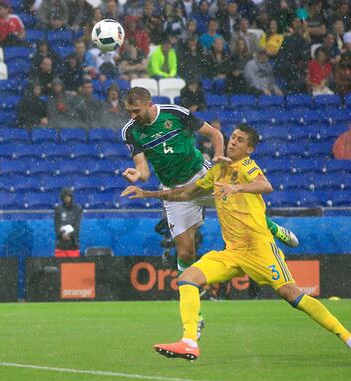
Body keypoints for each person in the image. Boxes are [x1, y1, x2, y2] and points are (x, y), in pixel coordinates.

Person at [122, 125, 351, 360]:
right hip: (232, 252)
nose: (232, 142)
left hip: (259, 249)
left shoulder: (247, 166)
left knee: (292, 295)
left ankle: (346, 336)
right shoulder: (217, 171)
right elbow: (183, 194)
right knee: (187, 278)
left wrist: (237, 187)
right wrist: (147, 194)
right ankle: (189, 341)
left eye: (240, 141)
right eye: (232, 138)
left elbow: (266, 185)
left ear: (249, 149)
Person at [54, 187, 83, 258]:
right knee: (59, 268)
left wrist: (69, 235)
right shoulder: (58, 209)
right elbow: (57, 225)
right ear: (62, 197)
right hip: (60, 246)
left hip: (73, 245)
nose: (67, 198)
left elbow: (77, 226)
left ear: (71, 197)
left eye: (68, 196)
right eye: (65, 196)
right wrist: (62, 235)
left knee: (73, 268)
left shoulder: (77, 208)